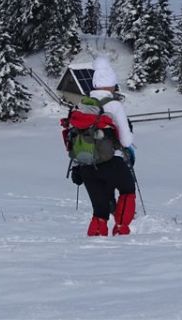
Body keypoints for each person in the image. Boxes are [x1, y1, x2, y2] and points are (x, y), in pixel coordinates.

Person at [78, 57, 137, 236]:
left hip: (86, 163)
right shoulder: (114, 105)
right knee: (127, 191)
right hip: (112, 162)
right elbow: (126, 141)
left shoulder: (82, 104)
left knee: (99, 211)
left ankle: (96, 240)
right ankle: (121, 229)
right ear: (111, 84)